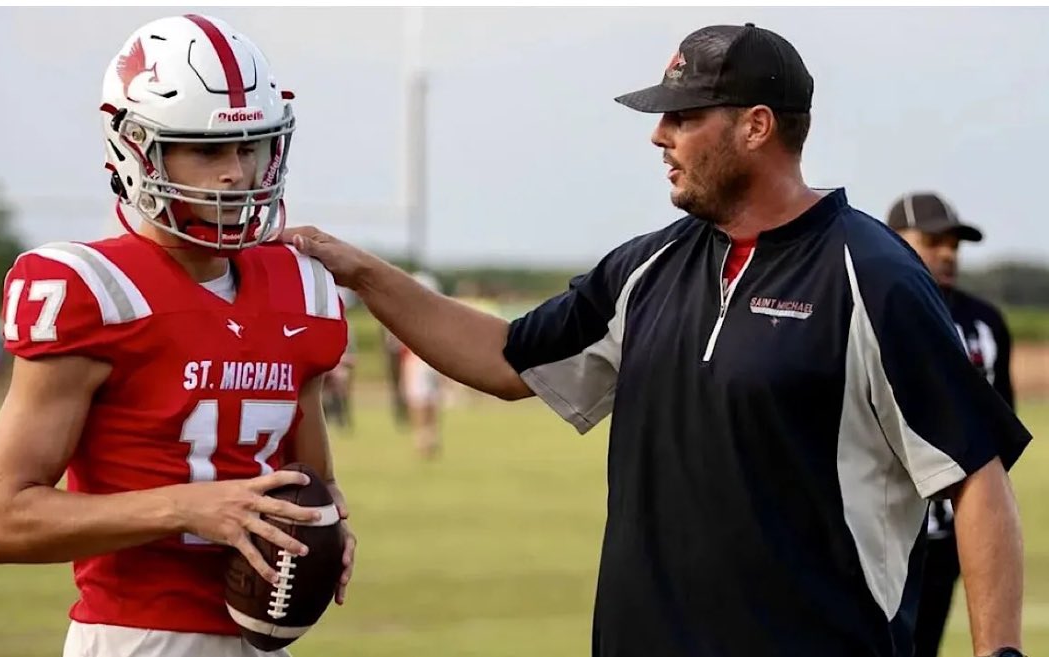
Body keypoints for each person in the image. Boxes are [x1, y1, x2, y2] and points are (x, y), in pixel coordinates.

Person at [279, 22, 1031, 657]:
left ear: (756, 126)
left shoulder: (872, 276)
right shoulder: (648, 266)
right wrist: (363, 272)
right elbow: (507, 358)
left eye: (682, 117)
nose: (658, 135)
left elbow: (975, 476)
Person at [0, 14, 355, 657]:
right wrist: (187, 508)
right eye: (207, 150)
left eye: (251, 146)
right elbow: (4, 522)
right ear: (137, 147)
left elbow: (304, 478)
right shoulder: (91, 288)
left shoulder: (302, 287)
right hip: (138, 637)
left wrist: (322, 527)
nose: (236, 172)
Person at [887, 191, 1017, 657]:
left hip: (951, 528)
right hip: (884, 529)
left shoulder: (986, 322)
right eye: (933, 240)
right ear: (894, 239)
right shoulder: (866, 309)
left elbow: (1000, 429)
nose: (947, 253)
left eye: (954, 245)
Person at [401, 271, 445, 458]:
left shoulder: (409, 315)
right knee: (430, 399)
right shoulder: (439, 314)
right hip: (433, 360)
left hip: (418, 360)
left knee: (419, 400)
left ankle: (423, 437)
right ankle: (430, 435)